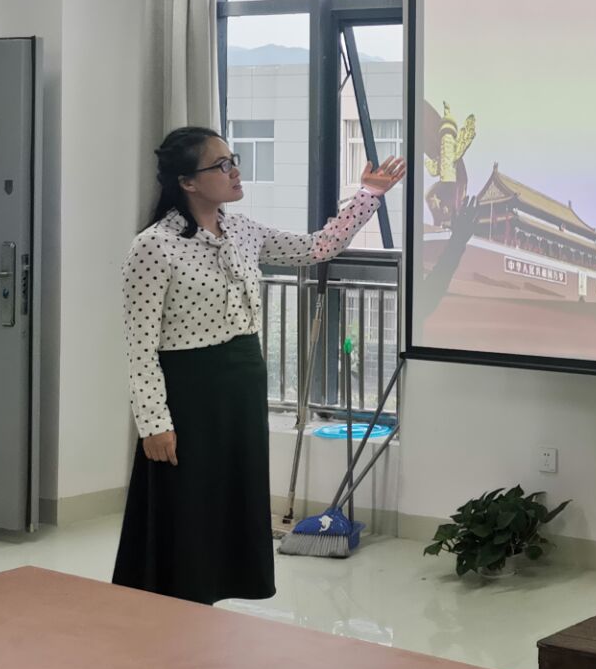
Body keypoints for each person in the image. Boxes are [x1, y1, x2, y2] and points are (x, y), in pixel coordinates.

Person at [112, 126, 407, 604]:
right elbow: (140, 347)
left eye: (234, 161)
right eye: (221, 165)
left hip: (243, 381)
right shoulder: (153, 246)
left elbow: (317, 247)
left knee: (233, 494)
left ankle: (219, 593)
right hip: (189, 392)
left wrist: (368, 195)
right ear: (187, 182)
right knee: (187, 500)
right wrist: (153, 423)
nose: (235, 172)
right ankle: (175, 601)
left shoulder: (243, 231)